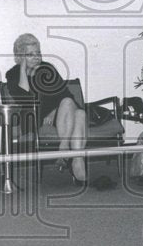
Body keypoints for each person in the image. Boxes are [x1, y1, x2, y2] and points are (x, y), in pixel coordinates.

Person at [5, 33, 87, 182]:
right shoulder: (13, 74)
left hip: (58, 115)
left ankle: (71, 153)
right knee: (78, 113)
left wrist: (53, 112)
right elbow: (26, 99)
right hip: (33, 118)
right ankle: (74, 159)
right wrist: (23, 68)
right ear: (20, 56)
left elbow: (66, 94)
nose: (36, 57)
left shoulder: (47, 68)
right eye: (30, 54)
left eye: (38, 53)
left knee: (78, 111)